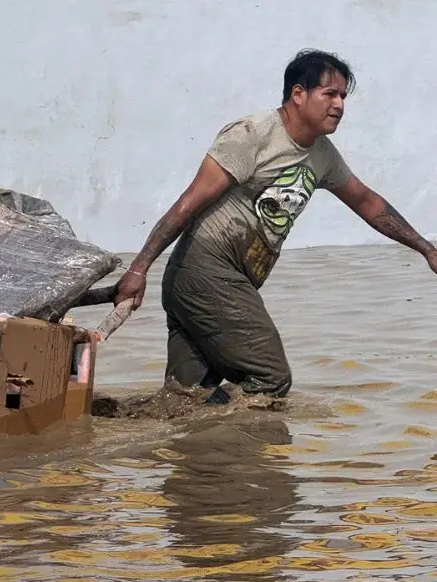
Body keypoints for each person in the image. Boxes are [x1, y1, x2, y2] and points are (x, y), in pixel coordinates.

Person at [114, 48, 437, 403]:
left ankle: (189, 450)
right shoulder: (253, 134)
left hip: (218, 282)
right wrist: (138, 270)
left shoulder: (322, 154)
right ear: (298, 94)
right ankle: (248, 451)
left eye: (344, 96)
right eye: (330, 93)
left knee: (182, 402)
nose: (340, 104)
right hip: (206, 270)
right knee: (269, 377)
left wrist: (427, 249)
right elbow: (187, 204)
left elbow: (367, 202)